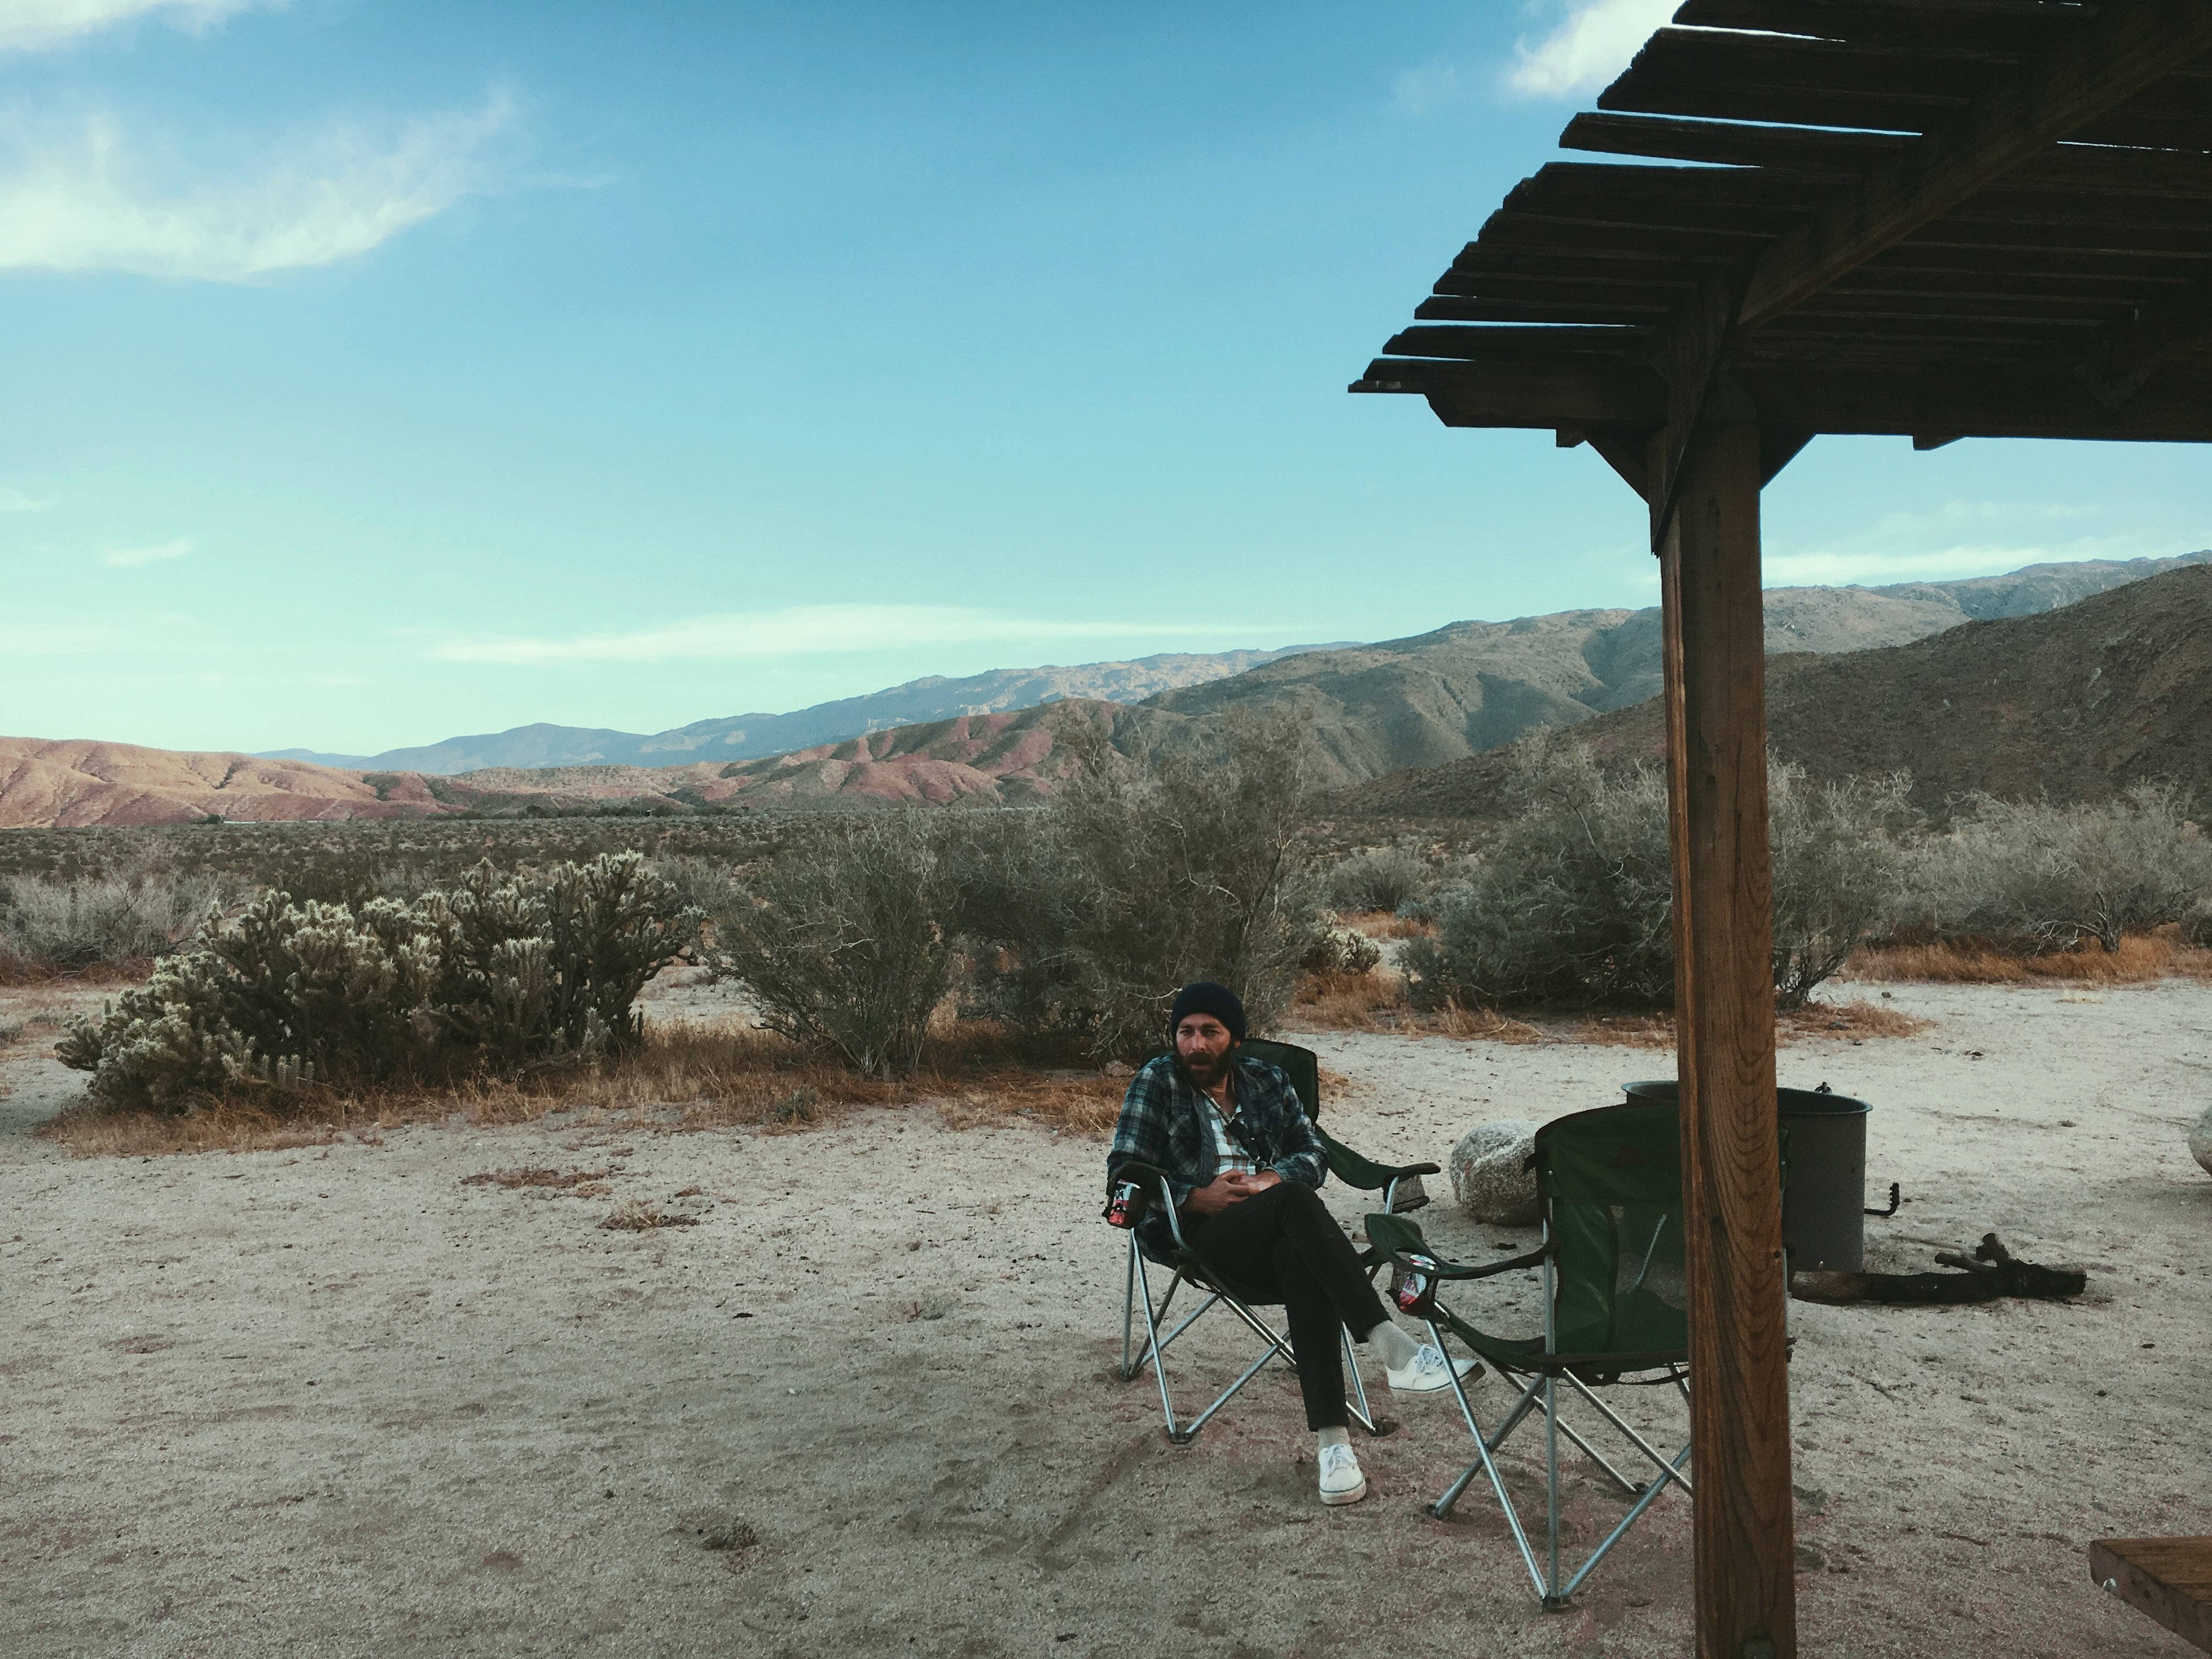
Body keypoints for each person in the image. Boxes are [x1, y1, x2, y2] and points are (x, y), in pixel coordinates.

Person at [1106, 980, 1474, 1506]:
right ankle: (1395, 1350)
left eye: (1210, 1031)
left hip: (1277, 1230)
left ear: (1235, 1038)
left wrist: (1269, 1180)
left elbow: (1311, 1153)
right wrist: (1193, 1198)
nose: (1196, 1044)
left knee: (1300, 1249)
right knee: (1298, 1205)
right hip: (1198, 1236)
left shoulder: (1269, 1080)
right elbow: (1125, 1172)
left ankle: (1335, 1451)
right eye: (1185, 1032)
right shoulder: (1157, 1082)